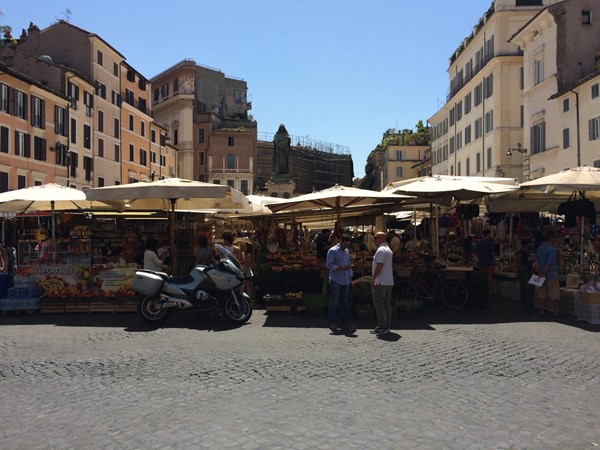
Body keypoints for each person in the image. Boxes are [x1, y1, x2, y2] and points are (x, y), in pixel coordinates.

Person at [326, 233, 353, 332]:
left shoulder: (346, 251)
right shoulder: (333, 251)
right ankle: (332, 321)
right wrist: (340, 268)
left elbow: (349, 264)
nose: (346, 246)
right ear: (341, 241)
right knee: (334, 301)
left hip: (345, 280)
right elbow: (329, 265)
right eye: (345, 244)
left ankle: (344, 321)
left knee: (344, 302)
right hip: (336, 280)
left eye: (348, 245)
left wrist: (350, 276)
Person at [371, 231, 394, 335]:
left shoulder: (381, 250)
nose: (374, 240)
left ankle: (382, 326)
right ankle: (386, 325)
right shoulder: (388, 250)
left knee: (378, 303)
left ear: (382, 239)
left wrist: (373, 278)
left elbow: (379, 265)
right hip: (388, 281)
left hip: (381, 281)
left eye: (376, 238)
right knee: (386, 304)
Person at [534, 230, 560, 316]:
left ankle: (542, 310)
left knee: (542, 293)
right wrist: (545, 272)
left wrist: (540, 272)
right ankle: (556, 311)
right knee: (554, 293)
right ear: (552, 238)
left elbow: (537, 261)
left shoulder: (540, 248)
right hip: (551, 274)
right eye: (555, 238)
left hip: (540, 273)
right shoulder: (552, 249)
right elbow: (549, 263)